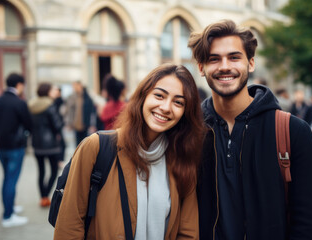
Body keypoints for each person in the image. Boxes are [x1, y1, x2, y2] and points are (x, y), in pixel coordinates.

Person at [188, 20, 312, 239]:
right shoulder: (189, 132)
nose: (224, 66)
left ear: (250, 63)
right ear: (201, 68)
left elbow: (307, 226)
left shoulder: (292, 131)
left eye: (234, 57)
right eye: (214, 59)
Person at [54, 64, 204, 239]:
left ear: (186, 112)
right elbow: (69, 226)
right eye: (159, 96)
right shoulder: (96, 147)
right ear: (143, 96)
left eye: (178, 102)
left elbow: (188, 232)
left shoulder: (183, 160)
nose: (166, 107)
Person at [0, 73, 32, 227]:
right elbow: (29, 123)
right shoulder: (19, 102)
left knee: (7, 178)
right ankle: (8, 216)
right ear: (19, 85)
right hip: (15, 147)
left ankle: (10, 207)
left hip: (0, 146)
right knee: (11, 179)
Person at [28, 83, 64, 207]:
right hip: (51, 145)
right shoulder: (50, 105)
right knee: (54, 170)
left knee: (41, 171)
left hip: (37, 143)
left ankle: (43, 197)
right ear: (47, 92)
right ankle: (46, 195)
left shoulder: (31, 105)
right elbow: (57, 125)